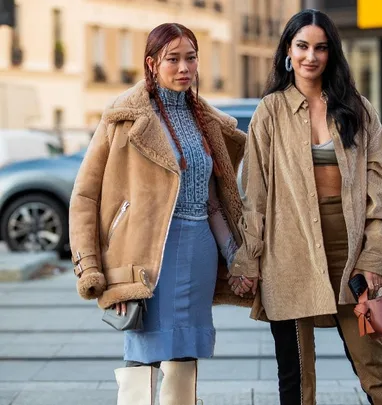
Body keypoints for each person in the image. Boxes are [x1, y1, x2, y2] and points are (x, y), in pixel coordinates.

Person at [227, 9, 382, 405]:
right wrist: (249, 260)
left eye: (321, 48)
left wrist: (373, 257)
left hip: (350, 252)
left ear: (332, 53)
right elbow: (255, 194)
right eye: (303, 46)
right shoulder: (270, 112)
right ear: (289, 51)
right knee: (295, 376)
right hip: (287, 253)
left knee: (374, 364)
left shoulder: (356, 108)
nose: (311, 56)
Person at [69, 23, 252, 405]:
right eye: (173, 59)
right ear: (152, 64)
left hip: (200, 250)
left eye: (191, 57)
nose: (184, 67)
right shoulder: (122, 117)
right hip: (147, 257)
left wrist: (237, 257)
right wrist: (98, 271)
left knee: (185, 353)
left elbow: (213, 201)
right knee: (141, 353)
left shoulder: (206, 121)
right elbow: (85, 196)